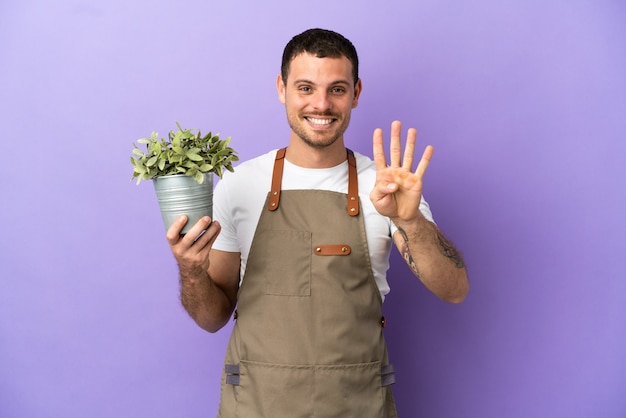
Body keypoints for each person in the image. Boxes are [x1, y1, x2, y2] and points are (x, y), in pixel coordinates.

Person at [166, 28, 469, 418]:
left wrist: (410, 220)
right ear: (282, 88)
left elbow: (455, 289)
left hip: (356, 404)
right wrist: (191, 272)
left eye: (337, 90)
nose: (321, 104)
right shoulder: (239, 185)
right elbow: (212, 318)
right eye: (305, 88)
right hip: (257, 405)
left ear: (356, 93)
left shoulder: (389, 188)